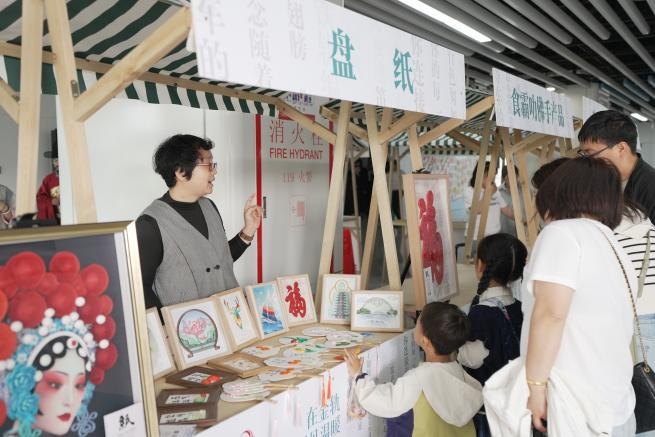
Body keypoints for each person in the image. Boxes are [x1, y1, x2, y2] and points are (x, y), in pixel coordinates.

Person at [520, 158, 635, 435]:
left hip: (575, 406)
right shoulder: (610, 241)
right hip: (613, 404)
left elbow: (551, 314)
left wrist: (535, 385)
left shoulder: (561, 233)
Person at [136, 134, 261, 309]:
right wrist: (167, 323)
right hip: (190, 324)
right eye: (208, 165)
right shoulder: (150, 224)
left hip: (231, 317)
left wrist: (248, 229)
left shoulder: (209, 206)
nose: (214, 171)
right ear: (181, 172)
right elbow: (140, 290)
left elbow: (220, 260)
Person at [344, 302, 483, 437]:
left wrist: (359, 376)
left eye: (417, 322)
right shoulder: (457, 369)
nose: (415, 324)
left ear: (425, 341)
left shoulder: (419, 378)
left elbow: (386, 402)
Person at [578, 109, 655, 223]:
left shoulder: (651, 187)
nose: (588, 161)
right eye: (583, 154)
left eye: (591, 154)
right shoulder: (600, 181)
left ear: (621, 148)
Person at [464, 162, 514, 244]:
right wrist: (488, 192)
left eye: (494, 176)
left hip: (494, 237)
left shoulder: (495, 191)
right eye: (489, 176)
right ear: (480, 176)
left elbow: (507, 210)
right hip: (475, 237)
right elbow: (478, 210)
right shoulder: (470, 191)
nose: (493, 179)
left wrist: (523, 219)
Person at [36, 145, 60, 224]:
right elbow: (40, 199)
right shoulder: (48, 179)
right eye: (55, 160)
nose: (58, 163)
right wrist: (51, 201)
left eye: (61, 160)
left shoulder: (74, 177)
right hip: (56, 219)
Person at [498, 166, 519, 236]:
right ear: (503, 178)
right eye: (508, 178)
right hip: (503, 233)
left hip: (521, 233)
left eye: (515, 177)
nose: (512, 180)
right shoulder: (498, 192)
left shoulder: (525, 192)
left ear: (518, 176)